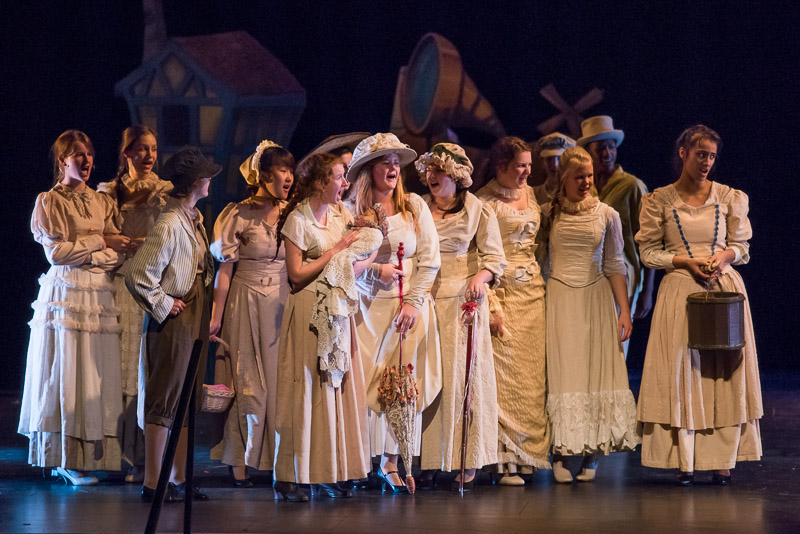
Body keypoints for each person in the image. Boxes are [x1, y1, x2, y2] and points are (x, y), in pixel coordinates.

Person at [635, 125, 762, 485]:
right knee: (683, 372)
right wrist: (683, 262)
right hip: (681, 290)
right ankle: (685, 459)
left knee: (724, 371)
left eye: (711, 156)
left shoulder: (729, 197)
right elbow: (648, 252)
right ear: (683, 153)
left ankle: (722, 460)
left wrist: (724, 257)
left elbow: (742, 246)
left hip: (723, 288)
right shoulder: (659, 200)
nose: (706, 162)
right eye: (700, 154)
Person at [18, 130, 126, 485]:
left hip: (97, 293)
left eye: (89, 154)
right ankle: (63, 457)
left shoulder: (101, 201)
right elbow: (57, 254)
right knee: (65, 370)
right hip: (67, 292)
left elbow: (117, 253)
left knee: (93, 371)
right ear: (63, 159)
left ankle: (90, 456)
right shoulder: (50, 201)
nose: (86, 160)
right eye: (79, 154)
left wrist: (95, 251)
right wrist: (98, 242)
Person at [272, 152, 375, 501]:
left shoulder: (340, 214)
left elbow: (358, 255)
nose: (345, 183)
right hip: (309, 311)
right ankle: (293, 475)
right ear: (319, 182)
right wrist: (336, 251)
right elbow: (296, 274)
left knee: (336, 390)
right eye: (339, 177)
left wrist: (368, 244)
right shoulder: (298, 220)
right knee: (308, 389)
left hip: (338, 308)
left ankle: (332, 469)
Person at [347, 132, 442, 493]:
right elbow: (343, 260)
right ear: (369, 170)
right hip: (366, 309)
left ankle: (390, 462)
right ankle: (358, 461)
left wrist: (415, 303)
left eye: (395, 162)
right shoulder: (353, 211)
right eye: (384, 162)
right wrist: (376, 270)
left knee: (401, 385)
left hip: (406, 310)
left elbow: (430, 261)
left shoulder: (414, 206)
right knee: (364, 385)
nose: (393, 167)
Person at [539, 146, 640, 484]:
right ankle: (561, 451)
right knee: (565, 373)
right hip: (560, 297)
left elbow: (615, 264)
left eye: (589, 176)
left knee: (595, 372)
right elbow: (540, 260)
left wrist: (624, 310)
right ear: (564, 179)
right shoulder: (548, 214)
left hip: (596, 298)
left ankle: (592, 452)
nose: (585, 182)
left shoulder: (607, 215)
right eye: (579, 177)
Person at [126, 146, 219, 502]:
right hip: (175, 319)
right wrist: (164, 302)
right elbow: (138, 275)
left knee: (186, 397)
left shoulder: (192, 218)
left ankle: (177, 478)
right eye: (206, 176)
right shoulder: (169, 223)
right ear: (195, 182)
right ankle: (154, 483)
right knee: (165, 396)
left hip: (195, 311)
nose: (210, 180)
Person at [416, 143, 505, 490]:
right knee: (429, 379)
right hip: (425, 299)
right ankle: (429, 457)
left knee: (460, 380)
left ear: (456, 175)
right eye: (429, 170)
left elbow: (494, 258)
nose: (432, 176)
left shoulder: (476, 209)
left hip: (461, 301)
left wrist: (480, 277)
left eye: (439, 170)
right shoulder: (418, 207)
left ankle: (465, 460)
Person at [208, 140, 294, 486]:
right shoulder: (237, 214)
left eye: (290, 170)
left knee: (279, 383)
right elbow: (224, 270)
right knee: (247, 382)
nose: (289, 176)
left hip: (282, 303)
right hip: (245, 301)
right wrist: (216, 316)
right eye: (282, 169)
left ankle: (277, 458)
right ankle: (239, 459)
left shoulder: (293, 212)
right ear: (264, 175)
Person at [97, 125, 172, 483]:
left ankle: (143, 457)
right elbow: (96, 232)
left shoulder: (163, 190)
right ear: (127, 152)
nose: (149, 155)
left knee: (146, 366)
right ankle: (116, 454)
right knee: (120, 366)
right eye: (141, 148)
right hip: (119, 280)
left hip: (152, 282)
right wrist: (114, 239)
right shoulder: (109, 192)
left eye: (153, 149)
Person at [476, 136, 551, 485]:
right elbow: (481, 256)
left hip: (532, 294)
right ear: (501, 166)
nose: (527, 172)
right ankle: (504, 458)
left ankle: (528, 455)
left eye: (529, 166)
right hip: (502, 294)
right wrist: (491, 305)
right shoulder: (483, 202)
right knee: (504, 380)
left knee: (532, 380)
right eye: (521, 165)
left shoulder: (532, 195)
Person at [578, 116, 655, 349]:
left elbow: (649, 240)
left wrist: (647, 290)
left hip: (624, 277)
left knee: (616, 346)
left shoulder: (632, 186)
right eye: (600, 148)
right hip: (587, 278)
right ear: (588, 153)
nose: (607, 153)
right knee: (590, 346)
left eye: (611, 147)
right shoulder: (582, 187)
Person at [533, 132, 576, 205]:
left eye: (559, 158)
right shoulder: (534, 194)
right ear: (542, 162)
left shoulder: (578, 192)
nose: (555, 165)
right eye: (549, 159)